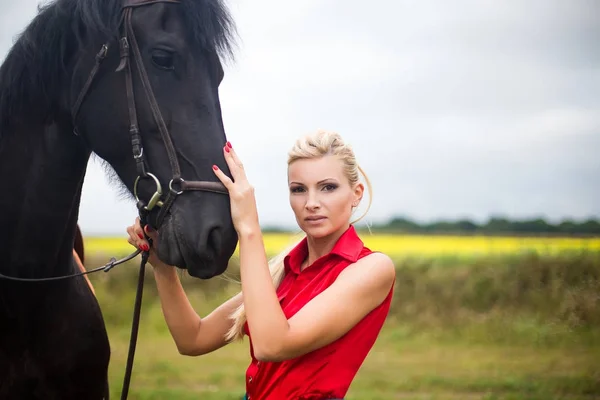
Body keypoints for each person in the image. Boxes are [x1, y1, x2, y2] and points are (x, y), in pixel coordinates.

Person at [126, 130, 396, 400]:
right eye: (299, 190)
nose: (311, 203)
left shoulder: (372, 268)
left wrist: (248, 227)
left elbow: (272, 345)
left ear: (356, 194)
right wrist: (162, 266)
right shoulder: (284, 271)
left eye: (328, 187)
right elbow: (193, 339)